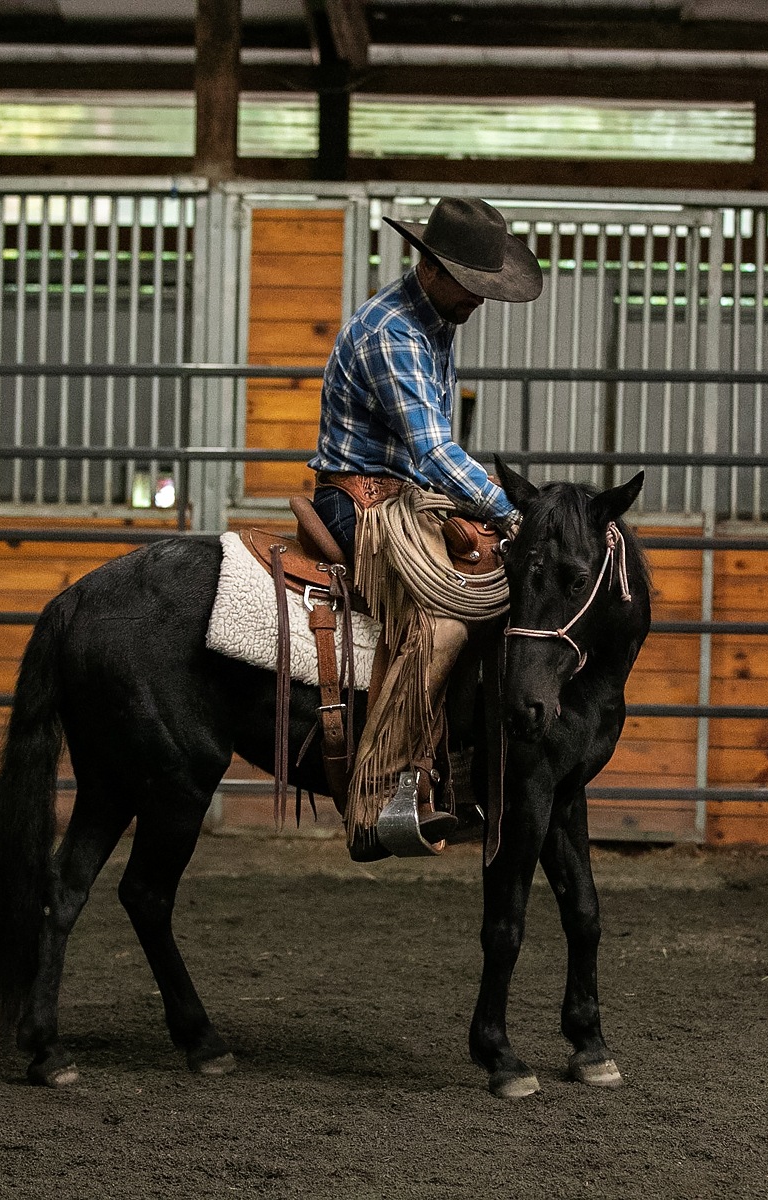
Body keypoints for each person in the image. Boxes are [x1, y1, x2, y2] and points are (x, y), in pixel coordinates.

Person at [307, 197, 542, 860]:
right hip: (361, 504)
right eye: (474, 285)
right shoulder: (395, 332)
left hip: (404, 496)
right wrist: (509, 510)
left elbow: (427, 459)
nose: (480, 300)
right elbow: (434, 450)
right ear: (433, 268)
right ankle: (378, 800)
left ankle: (458, 771)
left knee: (492, 581)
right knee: (442, 620)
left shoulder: (434, 318)